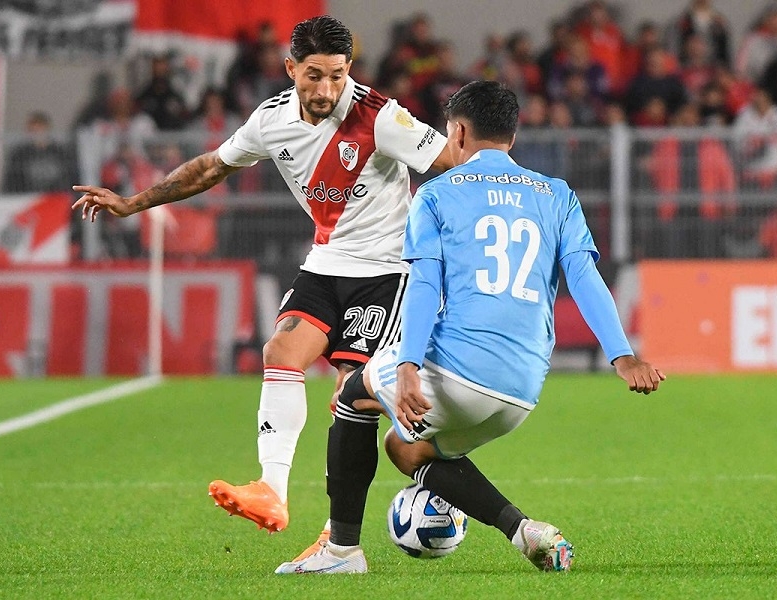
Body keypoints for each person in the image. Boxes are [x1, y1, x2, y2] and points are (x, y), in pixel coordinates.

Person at [72, 15, 452, 550]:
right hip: (326, 262)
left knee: (352, 397)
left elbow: (453, 161)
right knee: (280, 352)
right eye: (314, 76)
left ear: (350, 69)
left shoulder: (381, 117)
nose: (326, 90)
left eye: (338, 76)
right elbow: (211, 167)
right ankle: (272, 489)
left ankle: (342, 536)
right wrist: (135, 203)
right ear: (290, 68)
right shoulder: (271, 119)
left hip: (386, 271)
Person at [275, 80, 665, 575]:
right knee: (405, 448)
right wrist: (622, 355)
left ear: (457, 132)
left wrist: (408, 364)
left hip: (458, 371)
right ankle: (525, 531)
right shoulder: (556, 194)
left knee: (353, 397)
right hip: (521, 391)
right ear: (511, 137)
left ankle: (341, 552)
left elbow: (423, 284)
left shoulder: (436, 194)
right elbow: (585, 278)